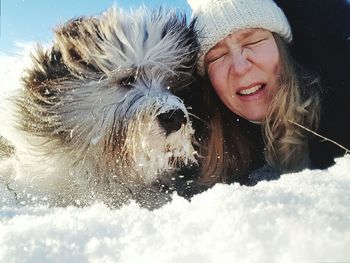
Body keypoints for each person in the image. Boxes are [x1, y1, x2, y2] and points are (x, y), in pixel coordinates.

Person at [188, 0, 325, 186]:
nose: (240, 67)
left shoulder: (335, 121)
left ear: (282, 48)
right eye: (218, 56)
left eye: (253, 41)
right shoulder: (194, 158)